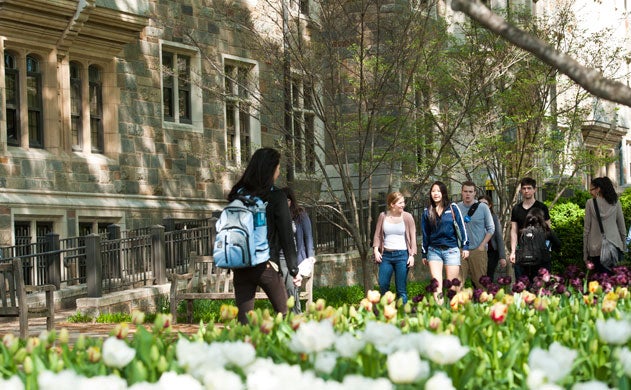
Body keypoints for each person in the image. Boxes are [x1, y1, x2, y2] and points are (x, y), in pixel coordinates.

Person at [227, 148, 302, 324]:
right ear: (270, 169)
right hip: (265, 265)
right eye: (278, 167)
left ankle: (247, 350)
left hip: (241, 265)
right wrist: (293, 269)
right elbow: (286, 235)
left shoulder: (238, 194)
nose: (279, 171)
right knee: (285, 315)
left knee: (244, 321)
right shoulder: (277, 196)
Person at [421, 181, 469, 304]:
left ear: (443, 192)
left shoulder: (452, 207)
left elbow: (461, 226)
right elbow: (425, 233)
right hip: (434, 251)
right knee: (436, 285)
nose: (435, 193)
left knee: (452, 285)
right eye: (433, 191)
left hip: (451, 250)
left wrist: (465, 246)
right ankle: (440, 312)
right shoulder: (427, 211)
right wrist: (424, 253)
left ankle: (452, 313)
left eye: (438, 191)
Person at [373, 192, 417, 304]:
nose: (403, 204)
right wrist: (376, 250)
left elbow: (413, 237)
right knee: (383, 285)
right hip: (386, 256)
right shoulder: (383, 216)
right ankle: (387, 313)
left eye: (403, 202)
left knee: (401, 288)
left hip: (402, 256)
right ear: (392, 204)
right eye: (400, 202)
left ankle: (403, 316)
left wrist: (412, 255)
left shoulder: (407, 217)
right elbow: (377, 234)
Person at [280, 186, 316, 314]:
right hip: (283, 260)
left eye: (286, 200)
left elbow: (308, 236)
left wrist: (310, 256)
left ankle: (296, 315)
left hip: (299, 260)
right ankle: (288, 315)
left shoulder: (301, 215)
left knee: (292, 285)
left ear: (291, 201)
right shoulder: (279, 215)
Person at [583, 177, 626, 275]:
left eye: (591, 189)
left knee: (599, 283)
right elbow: (622, 228)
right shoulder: (616, 203)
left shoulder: (590, 203)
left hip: (595, 249)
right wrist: (623, 247)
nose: (590, 192)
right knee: (614, 282)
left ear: (598, 189)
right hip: (615, 247)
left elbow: (586, 230)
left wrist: (585, 255)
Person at [509, 177, 550, 279]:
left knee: (539, 285)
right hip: (521, 252)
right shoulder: (516, 209)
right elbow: (513, 231)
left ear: (534, 189)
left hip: (539, 252)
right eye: (524, 188)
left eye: (529, 188)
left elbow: (548, 229)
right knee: (521, 285)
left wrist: (547, 249)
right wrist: (513, 251)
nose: (526, 191)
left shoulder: (542, 207)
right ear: (521, 190)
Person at [457, 181, 494, 289]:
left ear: (475, 193)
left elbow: (491, 228)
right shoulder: (456, 208)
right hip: (461, 250)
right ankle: (459, 305)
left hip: (477, 250)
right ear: (461, 192)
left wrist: (482, 245)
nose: (468, 194)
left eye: (470, 191)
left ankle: (483, 305)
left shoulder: (483, 207)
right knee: (457, 284)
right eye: (465, 191)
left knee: (481, 283)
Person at [518, 208, 561, 282]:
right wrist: (550, 249)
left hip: (526, 264)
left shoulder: (522, 232)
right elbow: (558, 244)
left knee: (528, 287)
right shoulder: (546, 231)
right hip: (543, 263)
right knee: (542, 287)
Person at [478, 195, 507, 280]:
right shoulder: (474, 217)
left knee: (488, 275)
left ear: (490, 205)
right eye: (480, 203)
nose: (482, 205)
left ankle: (489, 292)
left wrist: (502, 257)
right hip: (478, 251)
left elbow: (499, 237)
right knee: (477, 276)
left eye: (485, 203)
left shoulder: (493, 217)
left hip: (491, 252)